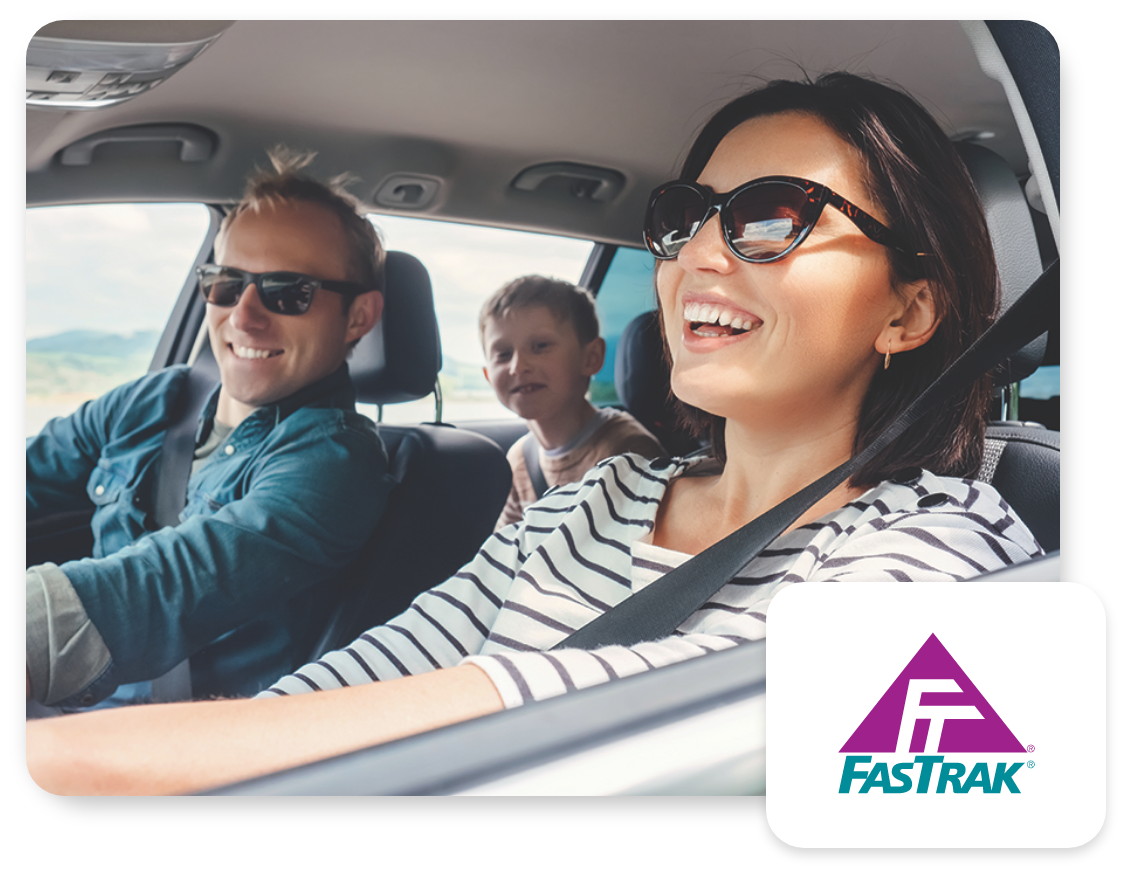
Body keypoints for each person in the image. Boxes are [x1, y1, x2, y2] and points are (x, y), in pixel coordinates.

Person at [27, 73, 1045, 795]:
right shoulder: (591, 499)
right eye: (686, 217)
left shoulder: (945, 550)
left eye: (769, 216)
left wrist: (81, 758)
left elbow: (620, 697)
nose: (695, 255)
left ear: (907, 311)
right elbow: (388, 664)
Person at [25, 149, 390, 709]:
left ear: (359, 317)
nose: (243, 316)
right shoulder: (155, 401)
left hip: (171, 744)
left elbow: (165, 586)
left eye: (288, 291)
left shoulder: (335, 460)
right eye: (225, 283)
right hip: (71, 711)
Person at [480, 275, 664, 530]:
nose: (517, 366)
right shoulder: (520, 458)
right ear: (488, 376)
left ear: (591, 358)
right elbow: (505, 551)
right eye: (503, 354)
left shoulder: (627, 453)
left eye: (540, 346)